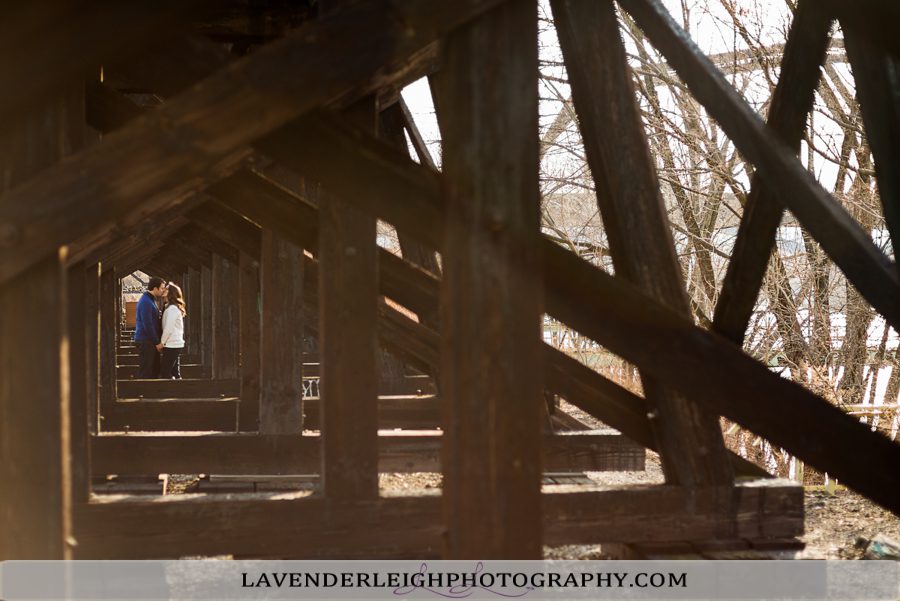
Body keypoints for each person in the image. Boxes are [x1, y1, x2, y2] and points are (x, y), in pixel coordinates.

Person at [134, 277, 166, 379]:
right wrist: (157, 342)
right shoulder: (146, 302)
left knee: (152, 370)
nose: (163, 290)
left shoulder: (150, 300)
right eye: (162, 288)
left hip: (148, 340)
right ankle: (142, 389)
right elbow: (147, 324)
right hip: (145, 340)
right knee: (146, 372)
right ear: (155, 288)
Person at [158, 282, 186, 379]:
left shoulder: (173, 309)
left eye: (166, 289)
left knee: (165, 372)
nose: (164, 290)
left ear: (171, 293)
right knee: (174, 372)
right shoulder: (170, 307)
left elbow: (168, 328)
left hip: (172, 344)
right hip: (173, 344)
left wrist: (162, 343)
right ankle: (179, 387)